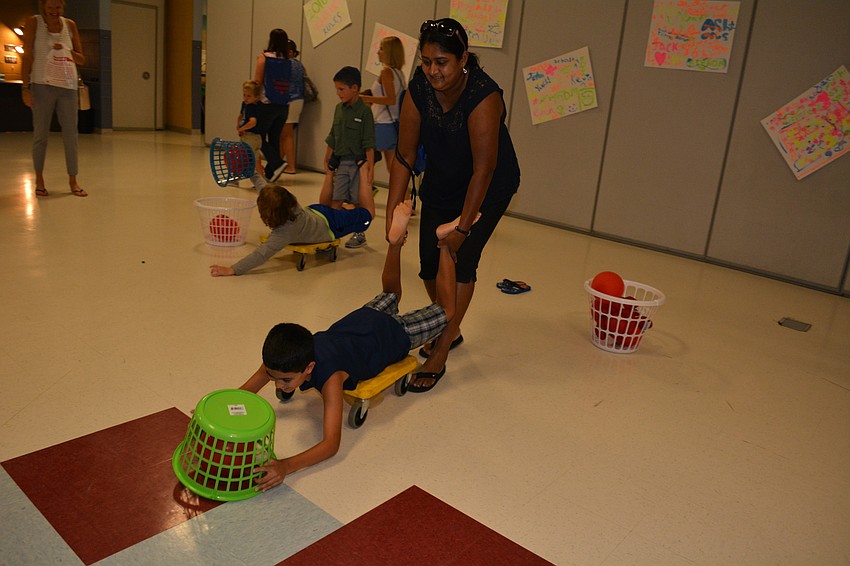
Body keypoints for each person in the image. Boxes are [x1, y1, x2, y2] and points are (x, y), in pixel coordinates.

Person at [239, 199, 457, 491]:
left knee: (447, 311)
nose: (277, 384)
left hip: (394, 335)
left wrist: (286, 466)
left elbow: (331, 445)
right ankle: (395, 243)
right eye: (274, 378)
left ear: (310, 368)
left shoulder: (330, 378)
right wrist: (215, 412)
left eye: (286, 381)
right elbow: (245, 390)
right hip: (364, 318)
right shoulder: (285, 356)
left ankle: (444, 245)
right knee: (391, 293)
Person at [385, 18, 521, 393]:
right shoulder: (419, 88)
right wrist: (392, 211)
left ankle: (442, 349)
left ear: (463, 59)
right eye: (427, 61)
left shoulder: (484, 95)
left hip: (487, 187)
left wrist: (462, 228)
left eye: (442, 62)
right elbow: (404, 155)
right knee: (429, 265)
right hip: (443, 181)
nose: (433, 71)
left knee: (461, 263)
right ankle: (451, 323)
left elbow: (484, 169)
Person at [209, 181, 375, 277]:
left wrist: (232, 269)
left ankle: (364, 176)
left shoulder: (283, 233)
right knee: (349, 212)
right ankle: (350, 205)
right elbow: (262, 186)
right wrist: (251, 172)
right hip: (316, 211)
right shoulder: (292, 205)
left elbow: (261, 254)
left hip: (331, 226)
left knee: (369, 214)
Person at [20, 0, 87, 198]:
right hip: (42, 85)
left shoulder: (70, 25)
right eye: (50, 7)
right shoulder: (34, 22)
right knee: (41, 135)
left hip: (67, 87)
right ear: (43, 7)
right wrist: (25, 87)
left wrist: (67, 51)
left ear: (63, 7)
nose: (54, 11)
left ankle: (73, 180)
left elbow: (82, 59)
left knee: (71, 135)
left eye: (58, 7)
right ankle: (39, 180)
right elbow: (27, 55)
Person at [320, 66, 376, 249]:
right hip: (342, 163)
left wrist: (370, 169)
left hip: (359, 164)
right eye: (337, 89)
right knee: (336, 199)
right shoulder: (339, 109)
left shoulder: (365, 112)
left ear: (354, 88)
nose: (338, 93)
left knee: (358, 202)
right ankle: (332, 234)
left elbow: (369, 142)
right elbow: (333, 135)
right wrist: (327, 157)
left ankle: (359, 234)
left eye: (341, 89)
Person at [359, 36, 406, 176]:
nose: (378, 52)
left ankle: (365, 187)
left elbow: (390, 99)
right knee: (392, 167)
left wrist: (365, 98)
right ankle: (400, 190)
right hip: (393, 124)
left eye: (381, 49)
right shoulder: (400, 74)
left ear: (389, 52)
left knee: (366, 162)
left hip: (382, 124)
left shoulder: (386, 72)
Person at [254, 28, 291, 183]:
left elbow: (257, 82)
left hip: (266, 103)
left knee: (257, 136)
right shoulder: (288, 60)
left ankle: (276, 162)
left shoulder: (264, 58)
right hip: (283, 105)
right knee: (274, 137)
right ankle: (271, 174)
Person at [236, 80, 268, 190]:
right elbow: (240, 115)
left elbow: (253, 122)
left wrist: (242, 128)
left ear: (256, 97)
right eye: (244, 95)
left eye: (249, 96)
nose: (245, 98)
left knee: (245, 158)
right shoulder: (246, 104)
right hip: (255, 137)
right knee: (256, 159)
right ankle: (262, 181)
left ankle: (237, 178)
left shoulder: (251, 107)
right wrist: (238, 125)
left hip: (250, 137)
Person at [280, 39, 305, 175]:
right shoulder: (299, 64)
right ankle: (280, 163)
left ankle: (290, 166)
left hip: (290, 100)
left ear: (290, 52)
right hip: (299, 100)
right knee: (285, 134)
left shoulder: (286, 64)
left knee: (286, 135)